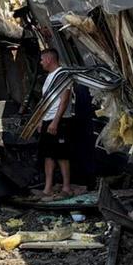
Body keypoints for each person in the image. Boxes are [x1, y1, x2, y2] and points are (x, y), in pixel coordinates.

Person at [36, 48, 77, 198]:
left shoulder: (62, 74)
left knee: (62, 155)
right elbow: (45, 100)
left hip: (59, 121)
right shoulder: (49, 77)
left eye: (41, 60)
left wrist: (55, 121)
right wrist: (41, 120)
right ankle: (48, 188)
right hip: (48, 119)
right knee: (48, 155)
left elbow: (64, 99)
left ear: (48, 59)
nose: (40, 63)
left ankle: (66, 188)